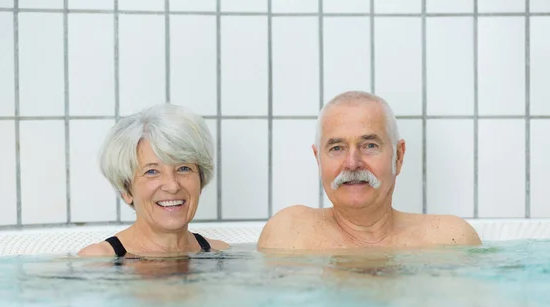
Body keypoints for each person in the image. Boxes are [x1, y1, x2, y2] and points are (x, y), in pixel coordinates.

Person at [257, 91, 482, 250]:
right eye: (337, 148)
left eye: (370, 146)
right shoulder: (289, 235)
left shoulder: (451, 239)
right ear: (318, 160)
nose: (352, 163)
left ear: (399, 156)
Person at [78, 103, 229, 257]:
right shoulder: (98, 260)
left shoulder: (220, 252)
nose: (172, 186)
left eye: (183, 168)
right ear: (126, 189)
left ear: (200, 181)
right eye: (152, 171)